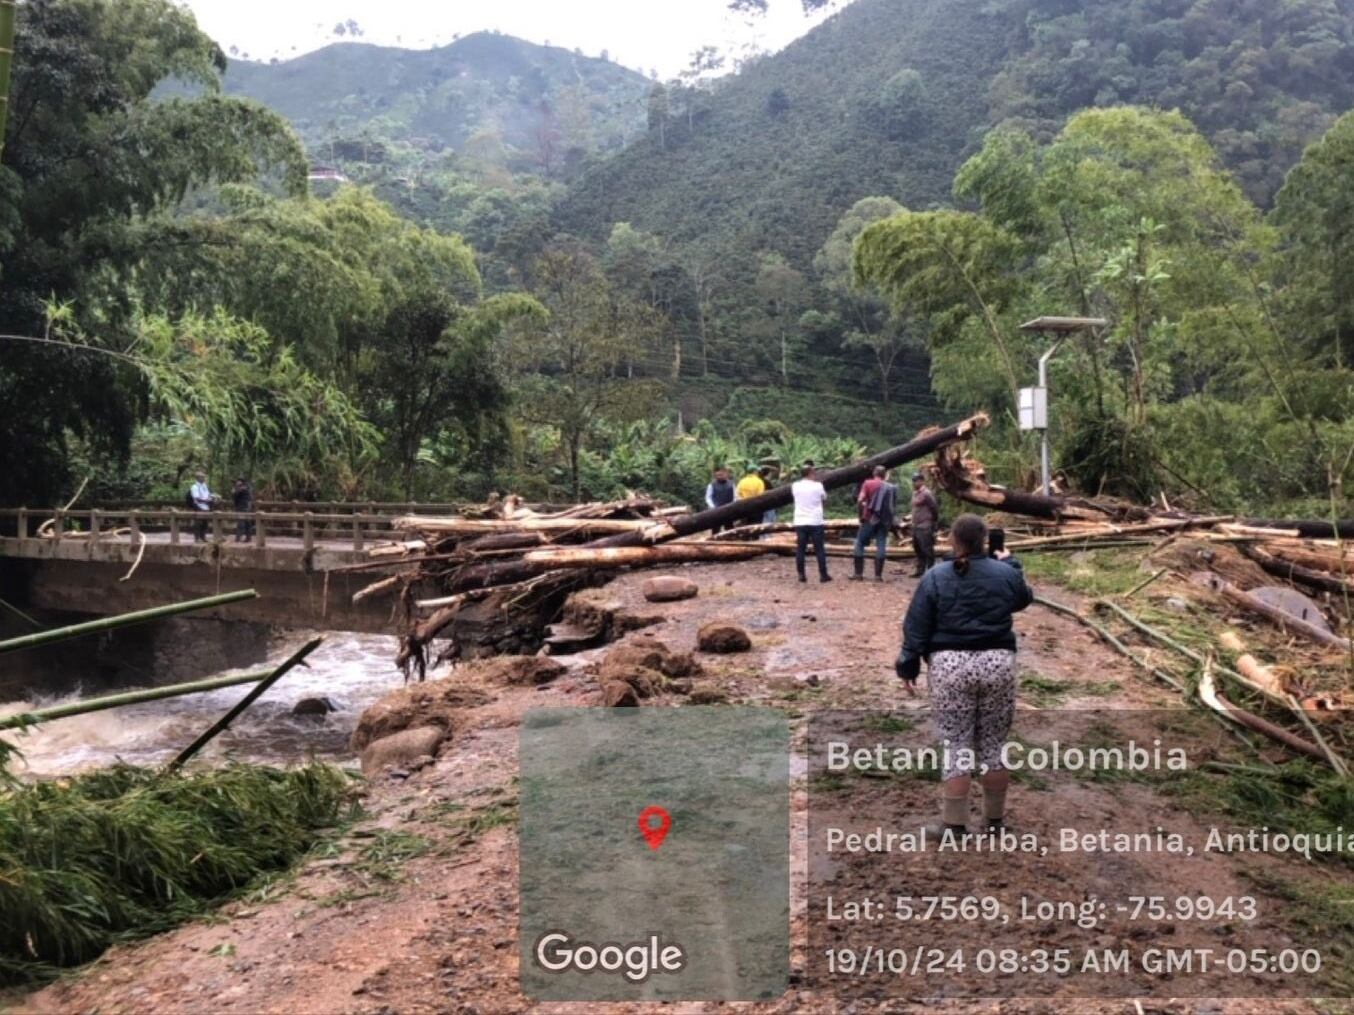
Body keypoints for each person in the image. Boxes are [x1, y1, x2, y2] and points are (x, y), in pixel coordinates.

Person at [895, 513, 1034, 839]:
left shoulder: (935, 576)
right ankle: (995, 822)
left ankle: (954, 825)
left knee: (957, 744)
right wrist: (1011, 564)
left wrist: (908, 665)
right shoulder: (1004, 573)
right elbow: (1023, 598)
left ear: (953, 541)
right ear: (985, 540)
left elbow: (917, 624)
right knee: (992, 745)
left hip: (950, 666)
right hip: (998, 663)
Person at [851, 466, 897, 582]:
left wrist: (861, 516)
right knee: (881, 544)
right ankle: (878, 576)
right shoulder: (891, 487)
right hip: (884, 521)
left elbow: (860, 500)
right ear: (884, 474)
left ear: (874, 473)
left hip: (869, 518)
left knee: (860, 543)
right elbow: (893, 507)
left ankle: (858, 574)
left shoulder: (868, 483)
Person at [791, 463, 831, 584]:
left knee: (800, 549)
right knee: (819, 549)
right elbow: (824, 499)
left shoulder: (795, 485)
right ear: (810, 473)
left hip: (800, 520)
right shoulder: (818, 486)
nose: (815, 475)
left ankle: (801, 574)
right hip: (815, 521)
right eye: (814, 473)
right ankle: (823, 575)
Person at [909, 470, 940, 577]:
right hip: (916, 526)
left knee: (927, 549)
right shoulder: (915, 493)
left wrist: (934, 523)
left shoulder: (927, 493)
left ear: (922, 481)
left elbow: (934, 508)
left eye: (916, 480)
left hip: (925, 525)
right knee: (917, 549)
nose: (914, 483)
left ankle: (931, 572)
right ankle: (920, 571)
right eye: (913, 481)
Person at [705, 467, 735, 534]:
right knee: (715, 529)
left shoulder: (731, 484)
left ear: (726, 474)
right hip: (716, 510)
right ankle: (714, 542)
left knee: (729, 528)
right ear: (715, 476)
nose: (720, 476)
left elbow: (735, 496)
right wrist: (712, 506)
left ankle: (731, 542)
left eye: (722, 475)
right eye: (718, 475)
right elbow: (708, 497)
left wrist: (734, 505)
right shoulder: (711, 485)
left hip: (729, 509)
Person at [189, 471, 214, 543]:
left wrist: (213, 497)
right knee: (198, 523)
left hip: (206, 507)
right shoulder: (194, 487)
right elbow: (196, 498)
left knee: (205, 523)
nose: (204, 478)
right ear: (198, 478)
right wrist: (206, 501)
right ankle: (197, 538)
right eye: (202, 477)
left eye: (204, 477)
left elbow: (208, 494)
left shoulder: (204, 485)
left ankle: (203, 537)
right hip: (199, 506)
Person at [232, 477, 254, 543]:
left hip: (242, 507)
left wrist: (233, 491)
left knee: (241, 523)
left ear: (241, 482)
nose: (236, 482)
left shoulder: (242, 488)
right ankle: (248, 538)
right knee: (247, 523)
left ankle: (238, 538)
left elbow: (236, 495)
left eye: (237, 481)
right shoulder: (247, 487)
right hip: (246, 507)